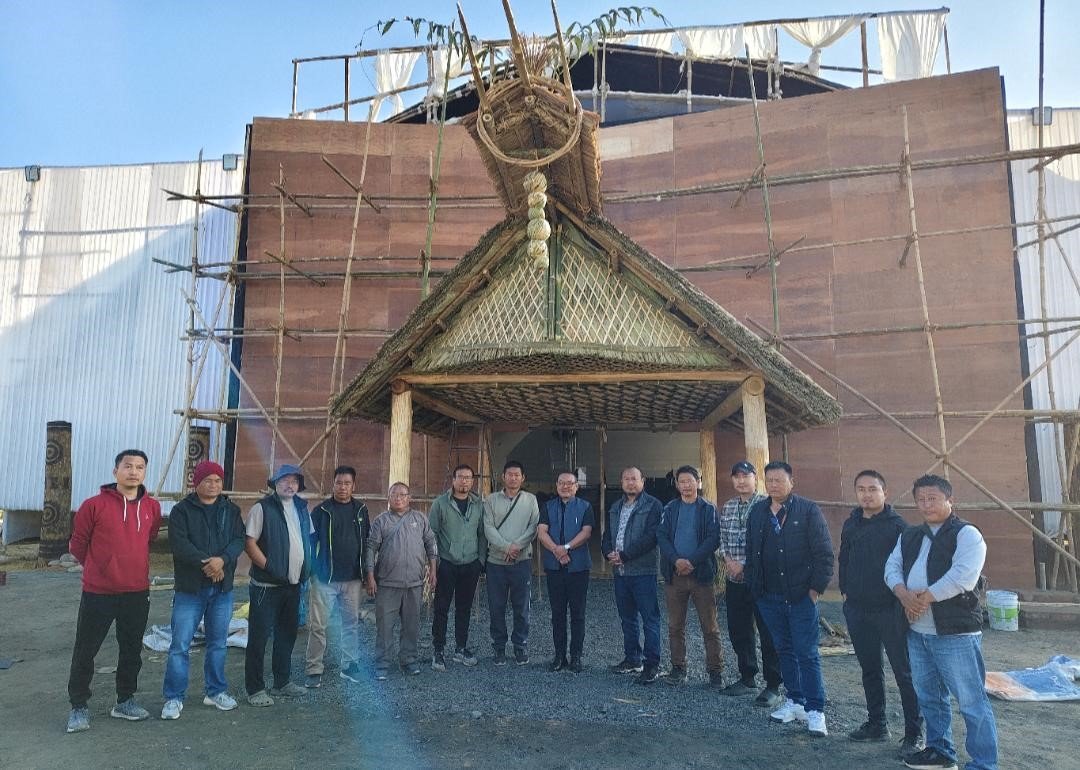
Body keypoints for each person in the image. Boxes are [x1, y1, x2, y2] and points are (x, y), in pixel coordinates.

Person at [885, 475, 998, 770]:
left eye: (933, 498)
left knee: (971, 701)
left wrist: (922, 599)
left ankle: (984, 763)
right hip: (917, 632)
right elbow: (892, 567)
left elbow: (963, 576)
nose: (926, 505)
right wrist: (903, 594)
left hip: (955, 633)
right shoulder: (910, 535)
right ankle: (939, 751)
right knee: (930, 697)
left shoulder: (967, 534)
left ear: (950, 500)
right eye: (920, 500)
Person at [65, 449, 163, 733]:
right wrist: (100, 568)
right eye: (127, 466)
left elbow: (149, 538)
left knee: (131, 649)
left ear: (144, 472)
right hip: (99, 592)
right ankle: (78, 706)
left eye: (140, 467)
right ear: (115, 471)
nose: (133, 472)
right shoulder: (93, 505)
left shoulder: (152, 507)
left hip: (136, 591)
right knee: (86, 649)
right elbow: (78, 544)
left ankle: (125, 700)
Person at [839, 469, 924, 758]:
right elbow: (844, 558)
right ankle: (877, 724)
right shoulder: (851, 523)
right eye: (861, 489)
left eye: (872, 489)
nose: (867, 495)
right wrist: (846, 591)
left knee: (904, 672)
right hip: (857, 609)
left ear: (885, 493)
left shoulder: (899, 527)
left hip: (890, 611)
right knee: (870, 669)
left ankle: (914, 733)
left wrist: (905, 603)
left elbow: (909, 567)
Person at [746, 461, 833, 738]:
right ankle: (795, 700)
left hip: (800, 596)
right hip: (768, 596)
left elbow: (824, 553)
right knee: (783, 649)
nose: (774, 485)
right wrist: (755, 587)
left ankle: (816, 710)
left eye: (779, 480)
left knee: (807, 653)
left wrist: (815, 589)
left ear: (791, 482)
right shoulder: (758, 511)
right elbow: (751, 551)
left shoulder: (808, 510)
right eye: (769, 480)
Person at [161, 461, 245, 720]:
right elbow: (180, 544)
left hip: (222, 589)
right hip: (190, 589)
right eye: (207, 480)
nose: (213, 485)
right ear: (196, 483)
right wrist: (208, 564)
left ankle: (215, 691)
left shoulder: (230, 510)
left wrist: (223, 561)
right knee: (180, 645)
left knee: (218, 644)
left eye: (218, 480)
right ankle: (174, 697)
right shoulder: (181, 511)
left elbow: (238, 540)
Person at [244, 463, 313, 706]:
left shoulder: (302, 508)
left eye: (294, 481)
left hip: (293, 585)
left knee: (286, 635)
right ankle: (255, 689)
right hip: (266, 586)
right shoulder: (262, 508)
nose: (289, 485)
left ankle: (282, 683)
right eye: (284, 480)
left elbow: (308, 540)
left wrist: (308, 568)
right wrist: (269, 567)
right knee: (259, 638)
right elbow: (250, 543)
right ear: (275, 483)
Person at [718, 461, 782, 707]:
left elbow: (772, 543)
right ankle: (747, 677)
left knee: (768, 631)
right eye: (737, 476)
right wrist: (728, 561)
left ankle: (773, 684)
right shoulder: (729, 506)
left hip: (761, 580)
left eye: (746, 476)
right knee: (739, 629)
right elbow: (722, 538)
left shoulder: (767, 505)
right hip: (734, 579)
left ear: (756, 478)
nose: (741, 480)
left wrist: (745, 565)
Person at [656, 465, 724, 686]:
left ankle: (715, 671)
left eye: (689, 481)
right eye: (682, 481)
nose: (685, 485)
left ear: (698, 482)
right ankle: (678, 667)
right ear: (677, 485)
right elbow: (662, 536)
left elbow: (713, 539)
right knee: (675, 625)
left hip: (701, 575)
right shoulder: (670, 508)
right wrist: (676, 560)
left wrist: (692, 561)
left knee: (710, 626)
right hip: (674, 574)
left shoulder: (708, 508)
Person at [304, 465, 369, 688]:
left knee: (350, 624)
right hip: (325, 580)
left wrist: (367, 574)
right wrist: (313, 571)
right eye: (339, 483)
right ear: (333, 485)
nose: (343, 487)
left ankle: (349, 666)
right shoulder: (321, 511)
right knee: (318, 626)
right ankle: (314, 669)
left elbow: (366, 542)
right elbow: (309, 543)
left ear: (354, 486)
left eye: (347, 483)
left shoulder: (361, 510)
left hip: (352, 579)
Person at [365, 482, 438, 680]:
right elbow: (370, 548)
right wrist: (370, 576)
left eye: (402, 495)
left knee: (411, 625)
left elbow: (431, 543)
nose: (398, 498)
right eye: (394, 495)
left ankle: (409, 660)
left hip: (414, 583)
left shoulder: (420, 519)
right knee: (385, 626)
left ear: (409, 498)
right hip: (387, 583)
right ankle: (382, 662)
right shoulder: (381, 521)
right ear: (388, 498)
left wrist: (433, 569)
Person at [602, 466, 664, 685]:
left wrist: (625, 555)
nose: (630, 482)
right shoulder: (616, 506)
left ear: (642, 481)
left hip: (643, 570)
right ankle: (632, 658)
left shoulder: (653, 505)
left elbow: (651, 537)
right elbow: (608, 534)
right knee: (627, 618)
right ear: (621, 482)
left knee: (649, 618)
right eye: (626, 479)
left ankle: (652, 664)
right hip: (620, 572)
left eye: (634, 479)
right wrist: (608, 552)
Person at [428, 464, 486, 670]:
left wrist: (480, 561)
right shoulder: (440, 504)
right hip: (447, 563)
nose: (464, 481)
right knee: (441, 608)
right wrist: (435, 563)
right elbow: (432, 534)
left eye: (468, 478)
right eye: (460, 477)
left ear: (472, 481)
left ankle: (460, 648)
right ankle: (438, 650)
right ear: (453, 480)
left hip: (470, 564)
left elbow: (482, 534)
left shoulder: (478, 504)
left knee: (464, 608)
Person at [483, 460, 540, 666]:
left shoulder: (530, 500)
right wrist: (507, 547)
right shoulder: (491, 500)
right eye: (510, 474)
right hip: (496, 562)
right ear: (503, 477)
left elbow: (533, 527)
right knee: (496, 606)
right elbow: (488, 528)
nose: (513, 478)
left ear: (523, 478)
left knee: (521, 606)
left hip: (521, 560)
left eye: (517, 475)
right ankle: (499, 646)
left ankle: (520, 644)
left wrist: (516, 547)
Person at [537, 471, 594, 673]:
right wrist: (557, 550)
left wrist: (566, 548)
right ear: (557, 485)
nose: (565, 486)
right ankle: (559, 655)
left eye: (570, 483)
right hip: (555, 567)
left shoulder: (585, 507)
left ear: (576, 486)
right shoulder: (548, 507)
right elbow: (541, 532)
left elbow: (586, 533)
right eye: (561, 483)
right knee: (557, 613)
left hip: (578, 567)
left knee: (578, 613)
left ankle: (576, 656)